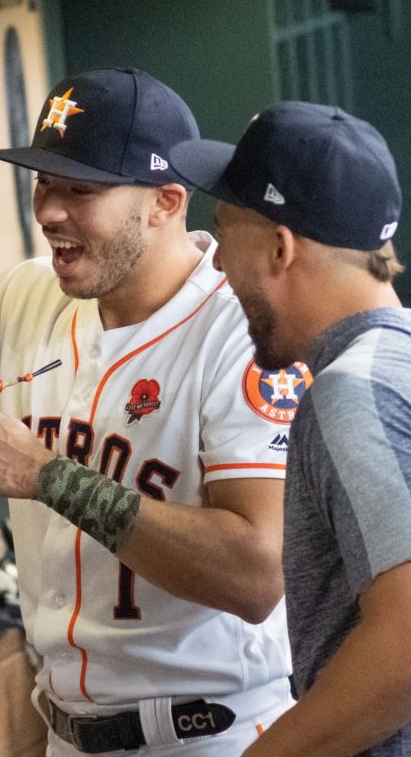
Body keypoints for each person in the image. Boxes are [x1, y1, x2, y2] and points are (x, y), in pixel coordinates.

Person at [0, 68, 304, 755]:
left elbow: (257, 576)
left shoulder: (236, 334)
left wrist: (48, 476)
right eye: (43, 183)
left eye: (81, 190)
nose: (49, 211)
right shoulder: (21, 297)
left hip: (213, 736)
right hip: (66, 734)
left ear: (166, 202)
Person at [170, 102, 409, 757]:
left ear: (280, 247)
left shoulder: (351, 393)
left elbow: (405, 643)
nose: (218, 267)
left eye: (224, 235)